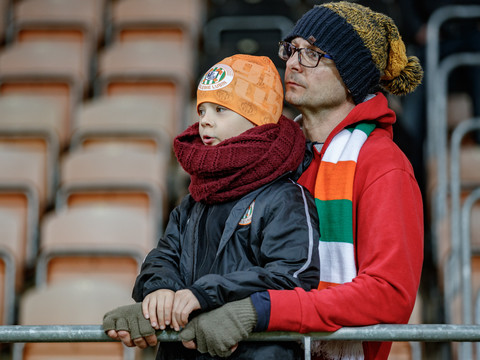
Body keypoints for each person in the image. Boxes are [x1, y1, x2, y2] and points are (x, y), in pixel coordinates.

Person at [177, 2, 425, 360]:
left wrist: (262, 311)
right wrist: (165, 296)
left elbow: (388, 294)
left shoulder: (383, 165)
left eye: (312, 53)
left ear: (352, 75)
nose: (292, 62)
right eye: (291, 49)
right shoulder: (268, 151)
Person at [102, 54, 321, 359]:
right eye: (202, 109)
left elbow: (292, 278)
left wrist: (203, 294)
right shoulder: (195, 198)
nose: (205, 120)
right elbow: (165, 254)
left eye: (220, 110)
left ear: (257, 119)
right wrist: (160, 291)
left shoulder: (285, 197)